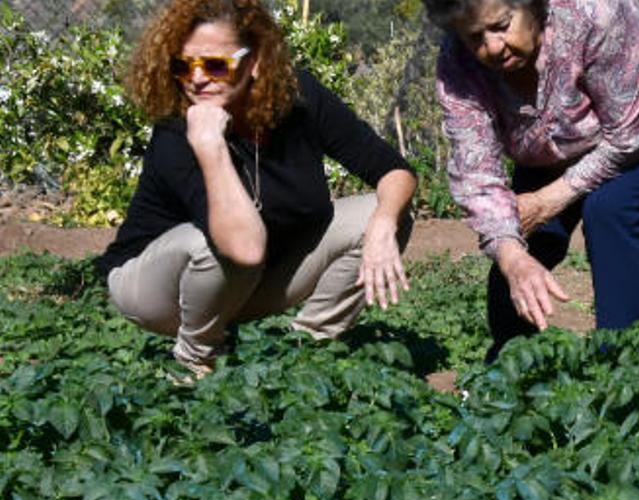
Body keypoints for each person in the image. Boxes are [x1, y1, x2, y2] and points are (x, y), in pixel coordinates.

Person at [96, 0, 418, 381]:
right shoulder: (176, 131)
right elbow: (242, 247)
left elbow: (394, 170)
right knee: (211, 243)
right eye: (183, 66)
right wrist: (210, 146)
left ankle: (310, 353)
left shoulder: (300, 100)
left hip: (248, 280)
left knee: (383, 211)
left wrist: (382, 225)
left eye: (215, 65)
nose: (197, 79)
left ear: (256, 62)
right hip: (154, 289)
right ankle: (196, 361)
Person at [424, 0, 639, 361]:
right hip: (562, 130)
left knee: (611, 209)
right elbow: (477, 174)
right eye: (475, 37)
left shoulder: (594, 15)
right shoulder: (458, 65)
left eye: (501, 26)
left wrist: (549, 200)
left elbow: (628, 138)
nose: (492, 47)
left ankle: (624, 364)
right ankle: (509, 366)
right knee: (522, 234)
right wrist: (512, 255)